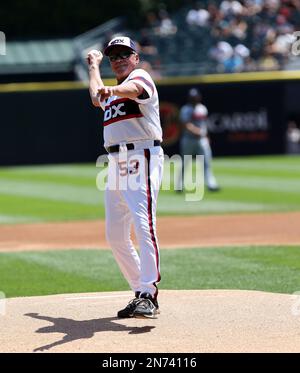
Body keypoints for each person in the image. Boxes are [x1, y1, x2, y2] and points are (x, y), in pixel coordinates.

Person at [87, 36, 163, 319]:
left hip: (141, 156)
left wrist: (112, 88)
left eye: (124, 54)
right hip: (116, 162)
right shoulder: (111, 90)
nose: (118, 59)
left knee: (144, 225)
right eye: (113, 56)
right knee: (115, 235)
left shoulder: (140, 77)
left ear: (135, 58)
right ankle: (139, 292)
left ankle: (149, 293)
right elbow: (96, 97)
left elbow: (131, 89)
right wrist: (94, 66)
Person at [178, 88, 220, 192]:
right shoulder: (185, 109)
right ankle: (180, 185)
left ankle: (211, 184)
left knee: (206, 162)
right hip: (188, 139)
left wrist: (206, 136)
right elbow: (185, 124)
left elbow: (204, 125)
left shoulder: (202, 108)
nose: (194, 99)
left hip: (201, 139)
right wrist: (197, 131)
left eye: (195, 97)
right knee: (185, 162)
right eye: (192, 97)